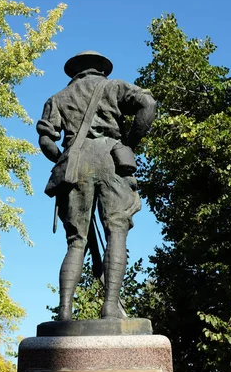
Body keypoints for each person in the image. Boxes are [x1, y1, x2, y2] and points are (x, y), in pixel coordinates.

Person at [37, 51, 156, 321]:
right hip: (111, 158)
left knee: (75, 242)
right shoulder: (114, 86)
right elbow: (148, 105)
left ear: (74, 71)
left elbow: (46, 141)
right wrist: (129, 144)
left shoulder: (58, 99)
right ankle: (110, 307)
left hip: (75, 163)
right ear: (102, 69)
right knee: (116, 232)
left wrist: (64, 161)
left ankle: (65, 312)